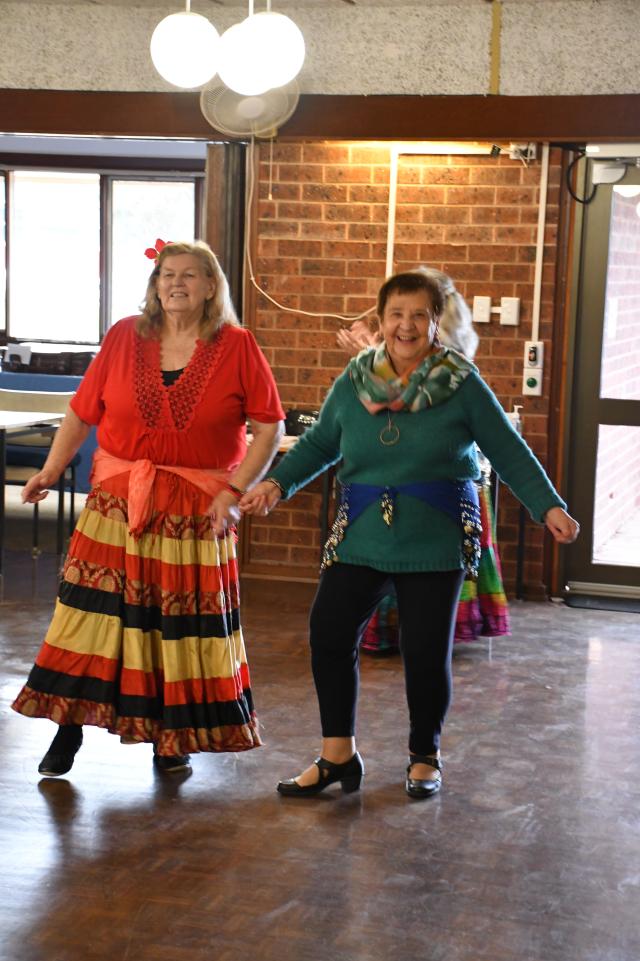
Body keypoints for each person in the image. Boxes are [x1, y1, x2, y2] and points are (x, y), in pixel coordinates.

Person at [241, 269, 579, 800]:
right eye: (396, 314)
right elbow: (322, 442)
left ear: (435, 322)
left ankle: (425, 755)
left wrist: (548, 505)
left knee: (424, 652)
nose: (406, 325)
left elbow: (507, 449)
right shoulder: (355, 380)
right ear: (381, 320)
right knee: (329, 635)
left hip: (434, 538)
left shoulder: (461, 384)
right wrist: (276, 484)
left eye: (419, 315)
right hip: (361, 534)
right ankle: (338, 756)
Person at [12, 240, 284, 777]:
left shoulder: (237, 345)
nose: (176, 283)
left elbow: (269, 428)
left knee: (177, 626)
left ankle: (172, 737)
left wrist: (234, 491)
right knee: (90, 619)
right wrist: (50, 468)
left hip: (195, 512)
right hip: (116, 506)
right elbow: (81, 412)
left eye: (189, 274)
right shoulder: (122, 337)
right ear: (155, 285)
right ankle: (68, 725)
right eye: (167, 274)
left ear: (211, 286)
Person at [337, 267, 508, 655]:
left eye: (417, 313)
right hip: (417, 484)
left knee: (426, 585)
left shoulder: (445, 358)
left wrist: (365, 355)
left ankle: (416, 638)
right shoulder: (447, 336)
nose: (407, 324)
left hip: (434, 488)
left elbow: (406, 396)